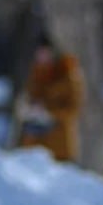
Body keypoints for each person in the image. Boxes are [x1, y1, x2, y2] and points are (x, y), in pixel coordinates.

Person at [16, 31, 84, 163]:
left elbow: (73, 109)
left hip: (59, 146)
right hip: (34, 144)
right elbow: (29, 99)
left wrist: (48, 111)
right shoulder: (35, 74)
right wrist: (27, 110)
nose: (42, 57)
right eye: (39, 53)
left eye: (45, 53)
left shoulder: (67, 75)